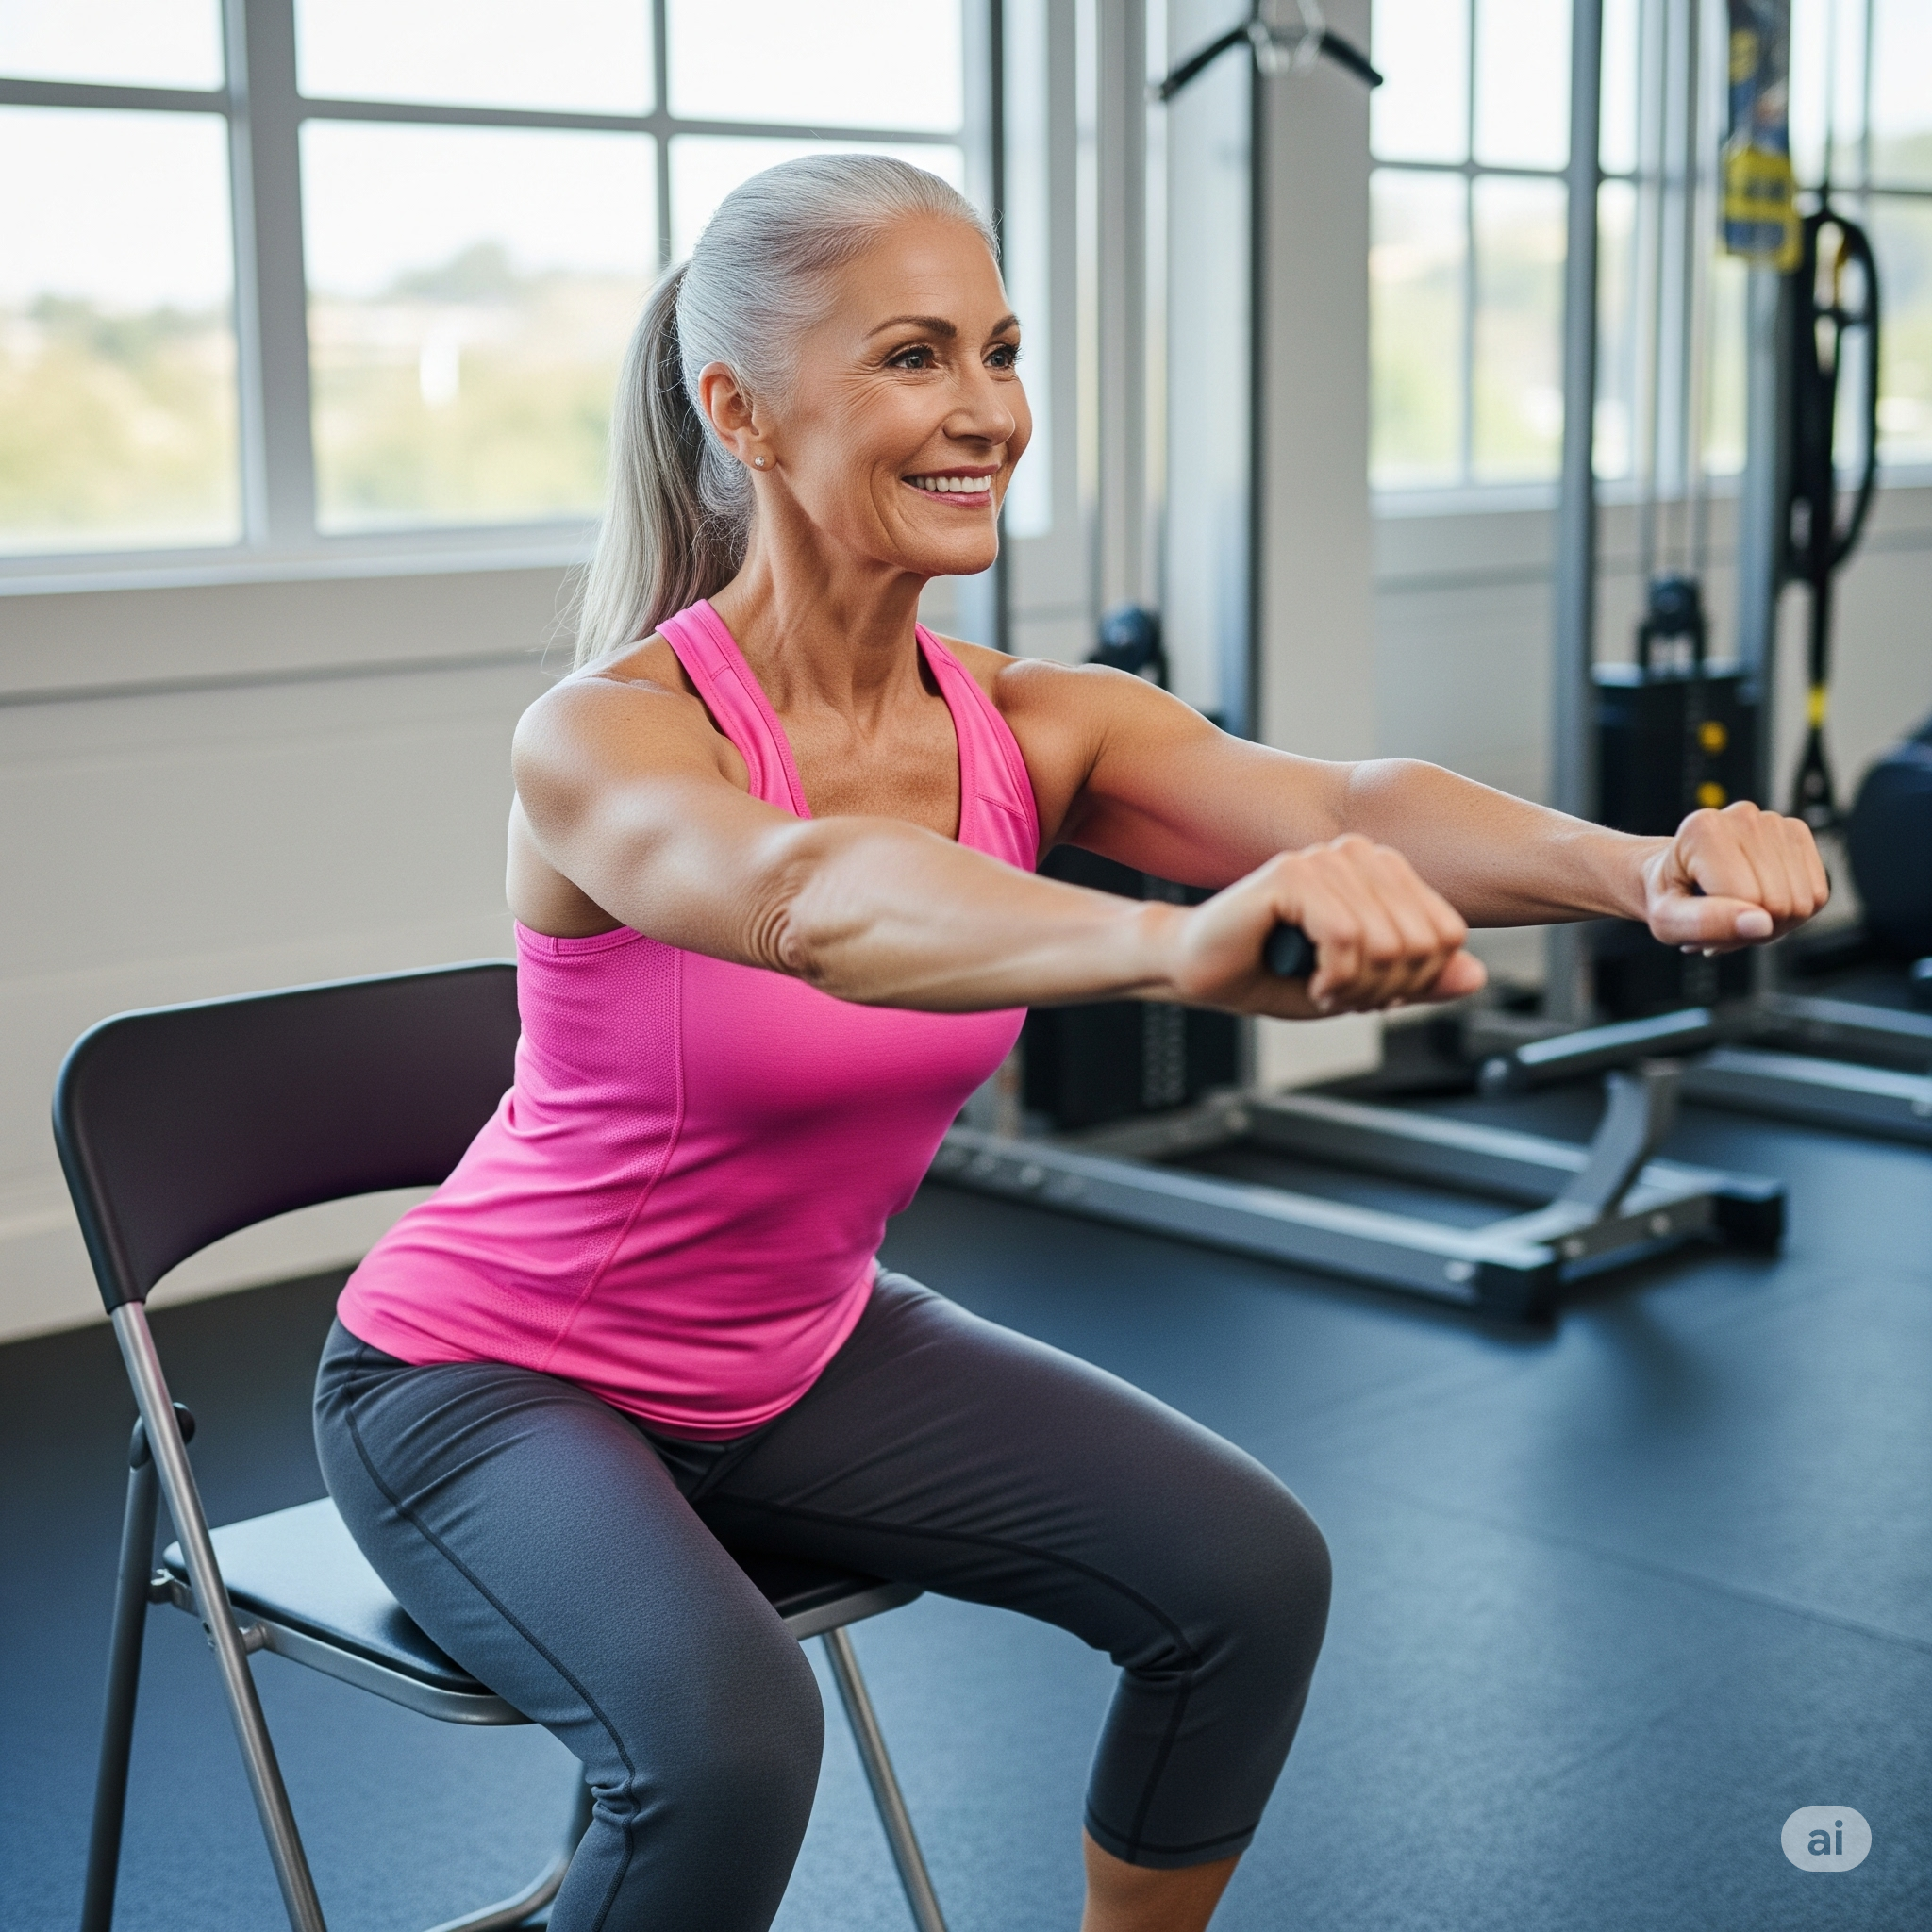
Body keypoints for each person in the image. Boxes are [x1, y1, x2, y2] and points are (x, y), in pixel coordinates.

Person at [314, 156, 1826, 1932]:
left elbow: (1342, 799)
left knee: (1244, 1581)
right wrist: (1166, 948)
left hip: (790, 1355)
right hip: (487, 1388)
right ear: (741, 410)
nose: (984, 413)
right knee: (728, 1749)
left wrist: (1644, 867)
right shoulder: (607, 741)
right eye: (911, 358)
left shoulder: (1037, 725)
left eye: (1001, 351)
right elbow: (810, 898)